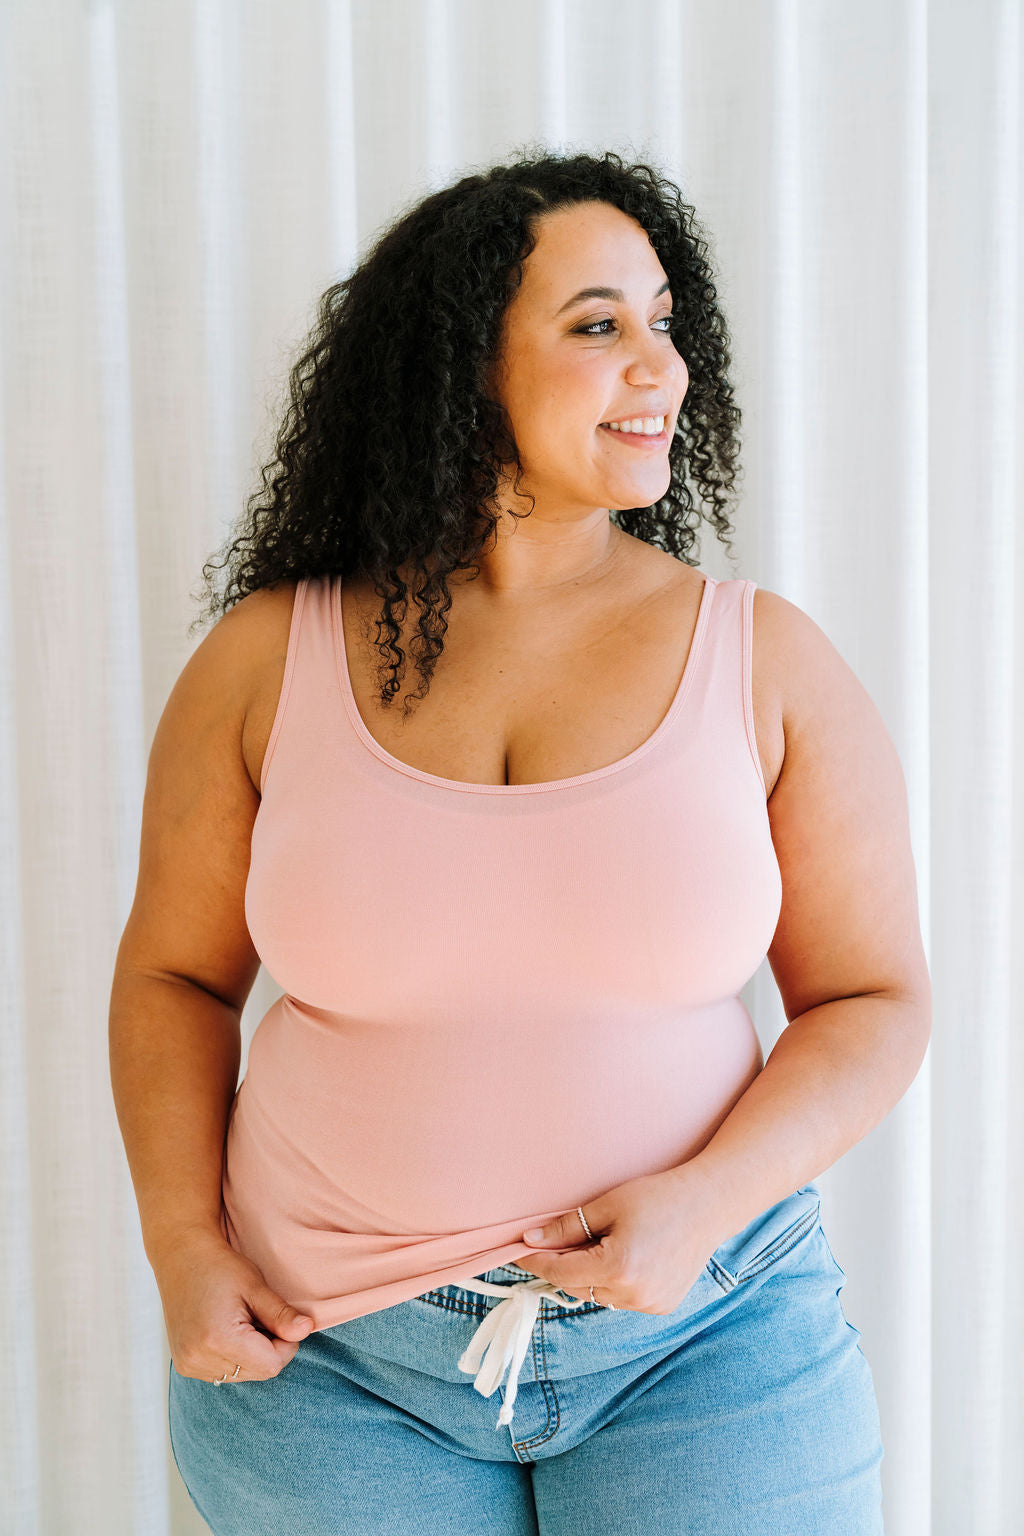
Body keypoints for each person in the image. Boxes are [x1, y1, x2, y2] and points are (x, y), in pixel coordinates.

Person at [109, 149, 930, 1533]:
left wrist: (703, 1204)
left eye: (666, 320)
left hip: (707, 1332)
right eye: (599, 324)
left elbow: (874, 999)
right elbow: (174, 981)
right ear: (459, 368)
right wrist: (182, 1248)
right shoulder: (265, 660)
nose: (662, 366)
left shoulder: (764, 659)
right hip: (326, 1358)